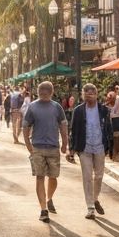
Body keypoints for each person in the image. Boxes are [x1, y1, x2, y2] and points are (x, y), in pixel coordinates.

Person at [22, 80, 69, 223]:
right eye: (41, 91)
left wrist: (64, 143)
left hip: (53, 147)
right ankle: (43, 209)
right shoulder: (32, 107)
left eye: (46, 91)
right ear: (37, 92)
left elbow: (63, 126)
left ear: (51, 92)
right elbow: (25, 126)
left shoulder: (57, 107)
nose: (43, 93)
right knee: (40, 177)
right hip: (38, 148)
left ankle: (49, 199)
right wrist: (28, 144)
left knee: (53, 177)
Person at [67, 83, 110, 219]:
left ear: (96, 95)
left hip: (99, 147)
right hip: (84, 147)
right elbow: (73, 131)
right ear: (83, 95)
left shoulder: (104, 110)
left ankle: (95, 198)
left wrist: (110, 147)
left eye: (91, 94)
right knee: (87, 177)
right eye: (86, 94)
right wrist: (71, 150)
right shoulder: (78, 111)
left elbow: (109, 128)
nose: (89, 97)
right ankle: (90, 207)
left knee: (98, 176)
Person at [106, 88, 119, 161]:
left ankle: (112, 154)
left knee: (112, 137)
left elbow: (110, 108)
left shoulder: (115, 98)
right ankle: (115, 153)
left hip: (115, 119)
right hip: (118, 118)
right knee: (117, 136)